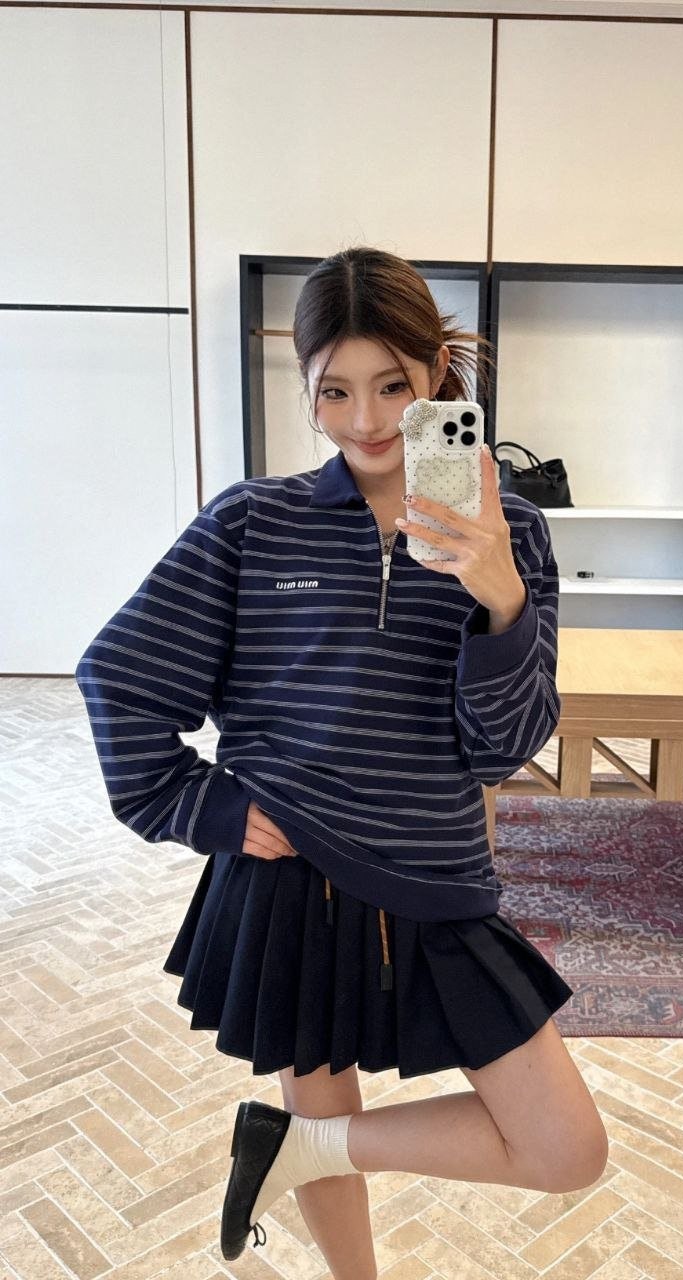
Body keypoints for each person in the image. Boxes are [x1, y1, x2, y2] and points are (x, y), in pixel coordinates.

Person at [75, 245, 608, 1278]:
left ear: (437, 376)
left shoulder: (511, 532)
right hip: (287, 875)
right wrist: (198, 806)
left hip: (433, 874)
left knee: (563, 1147)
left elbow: (500, 747)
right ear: (307, 387)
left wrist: (499, 594)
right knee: (315, 1095)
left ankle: (294, 1148)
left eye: (392, 386)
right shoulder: (251, 523)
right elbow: (119, 676)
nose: (364, 420)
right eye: (334, 390)